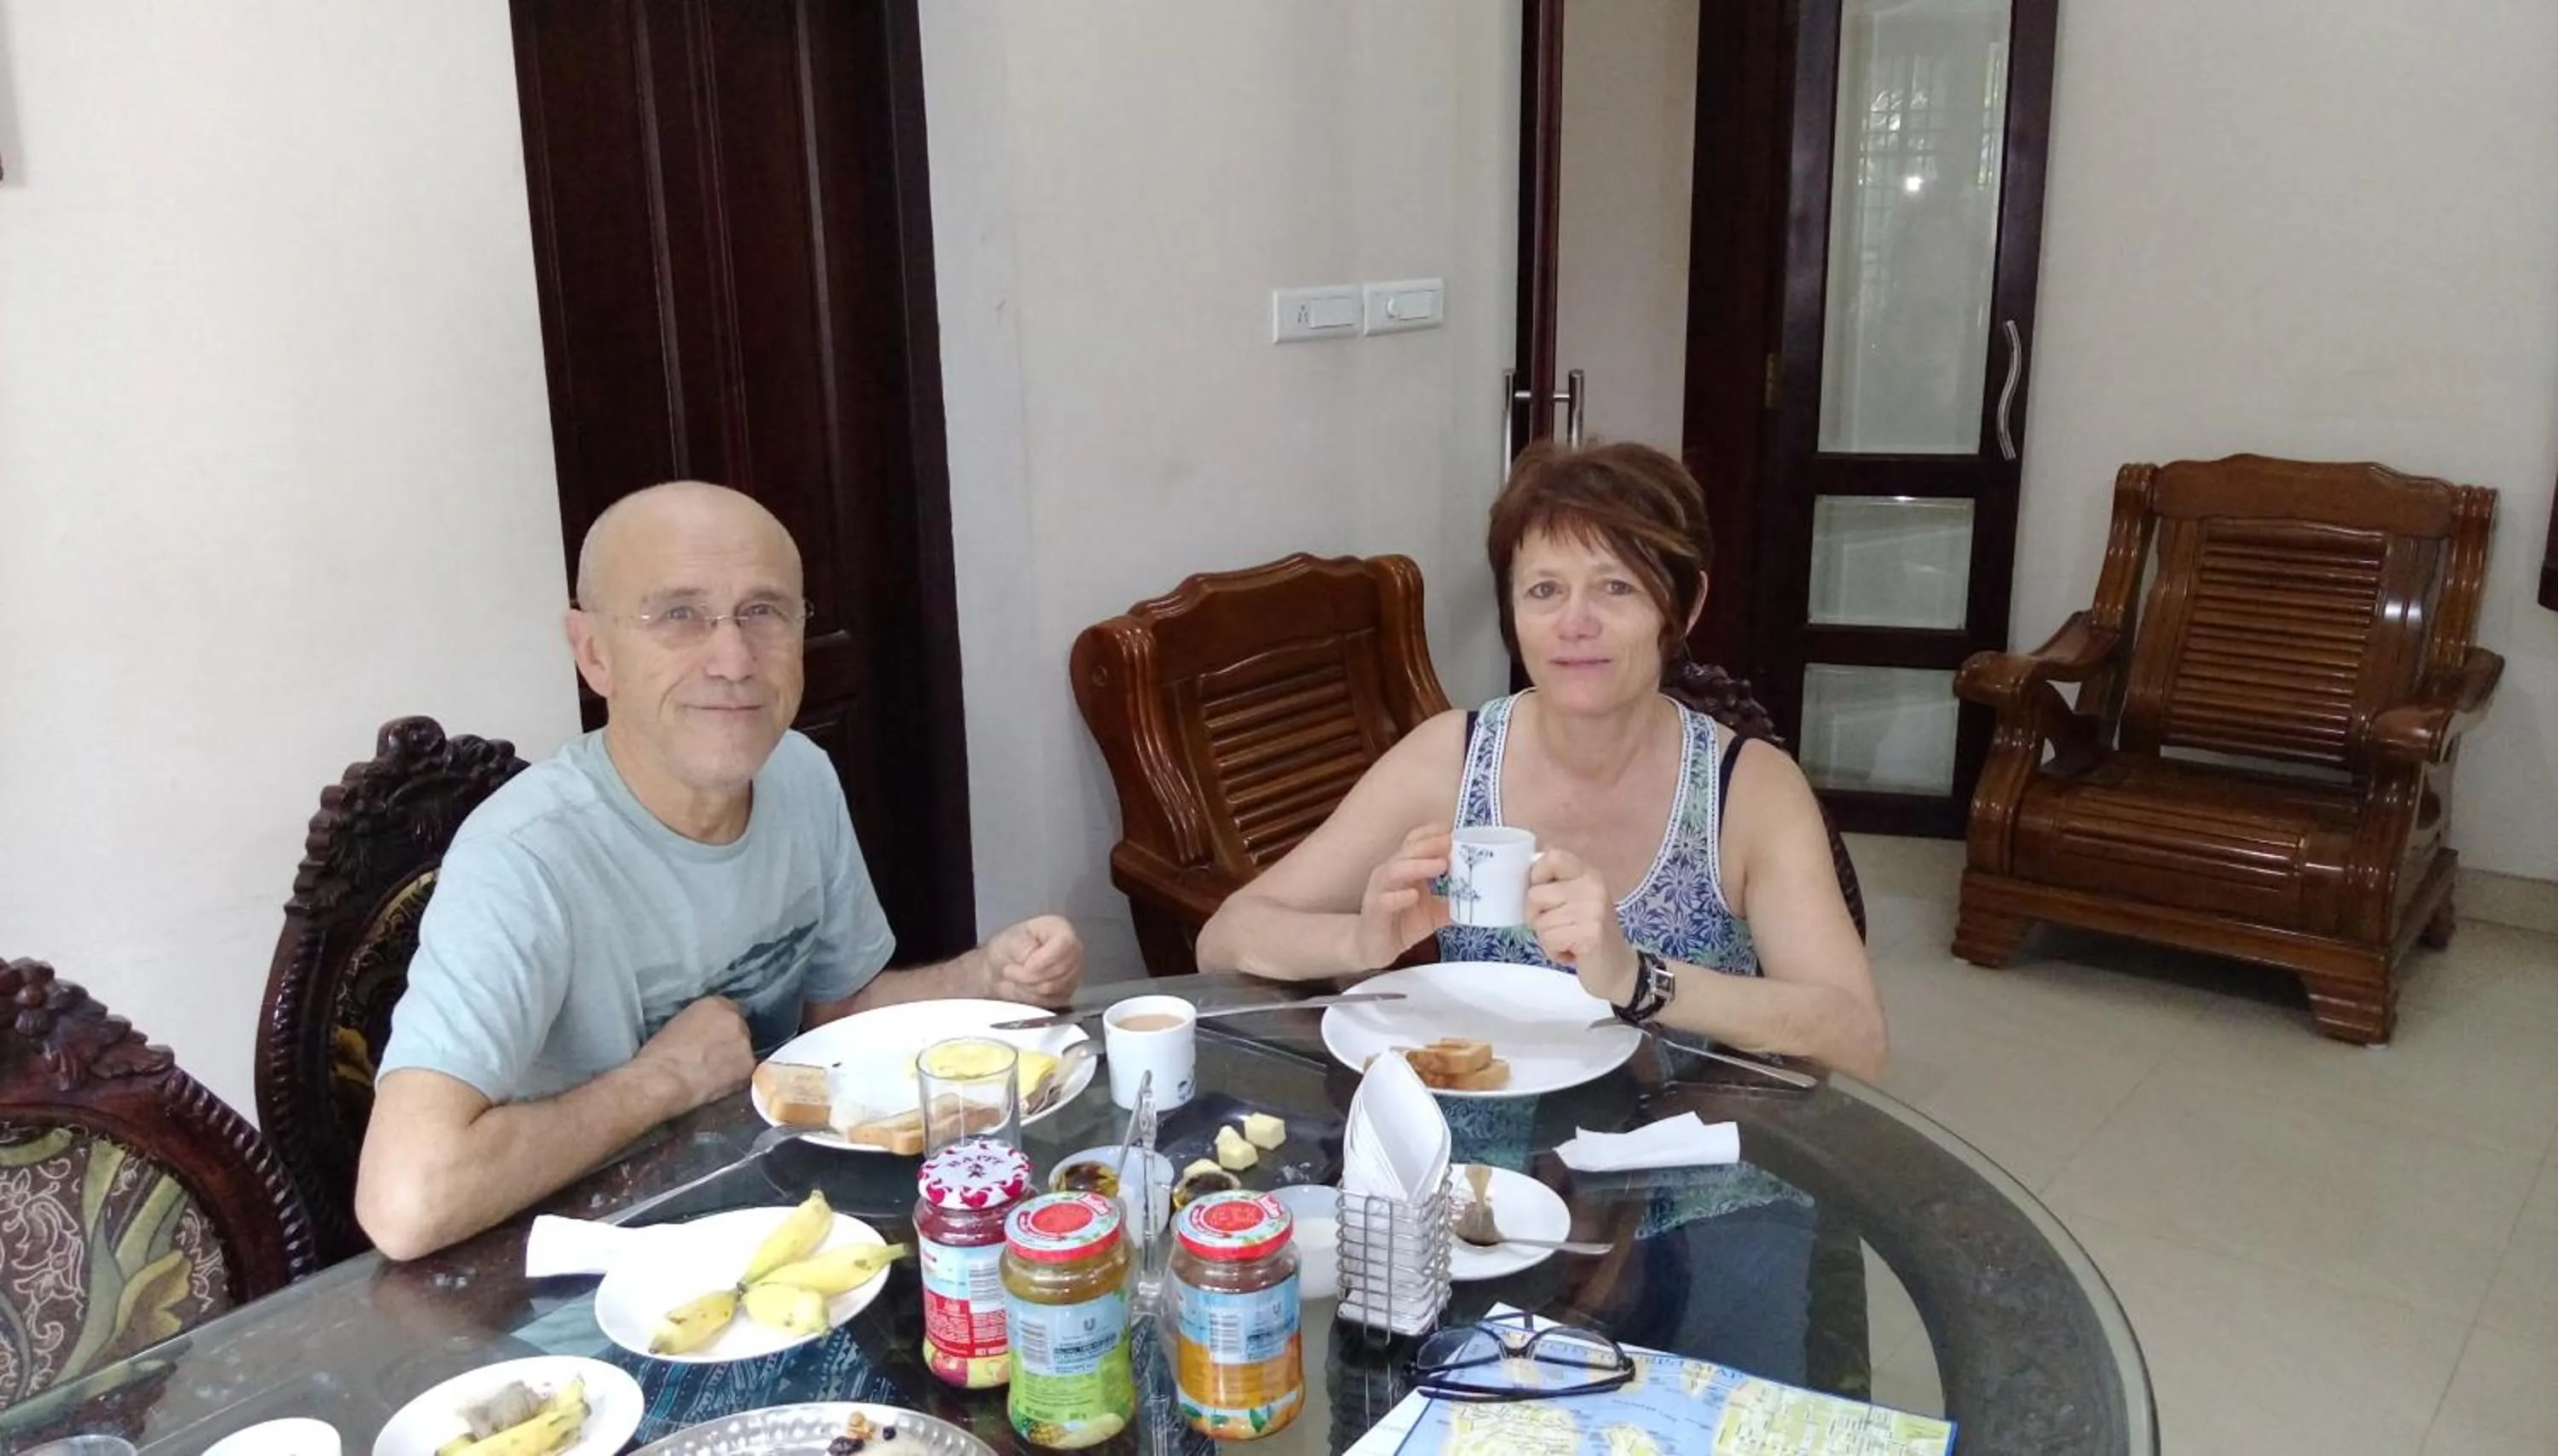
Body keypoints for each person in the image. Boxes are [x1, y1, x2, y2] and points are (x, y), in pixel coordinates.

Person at [356, 482, 1083, 1259]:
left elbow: (835, 1015)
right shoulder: (522, 859)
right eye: (679, 615)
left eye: (764, 612)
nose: (735, 660)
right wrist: (662, 1081)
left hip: (776, 1222)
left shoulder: (797, 773)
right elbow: (407, 1201)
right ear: (593, 652)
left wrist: (986, 979)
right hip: (578, 1279)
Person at [1196, 442, 1886, 1078]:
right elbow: (1225, 939)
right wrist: (1362, 941)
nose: (1574, 622)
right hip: (1481, 1169)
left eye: (1616, 587)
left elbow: (1858, 1038)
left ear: (1685, 604)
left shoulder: (1748, 789)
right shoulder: (1451, 758)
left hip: (1691, 1156)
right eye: (1544, 590)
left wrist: (1637, 978)